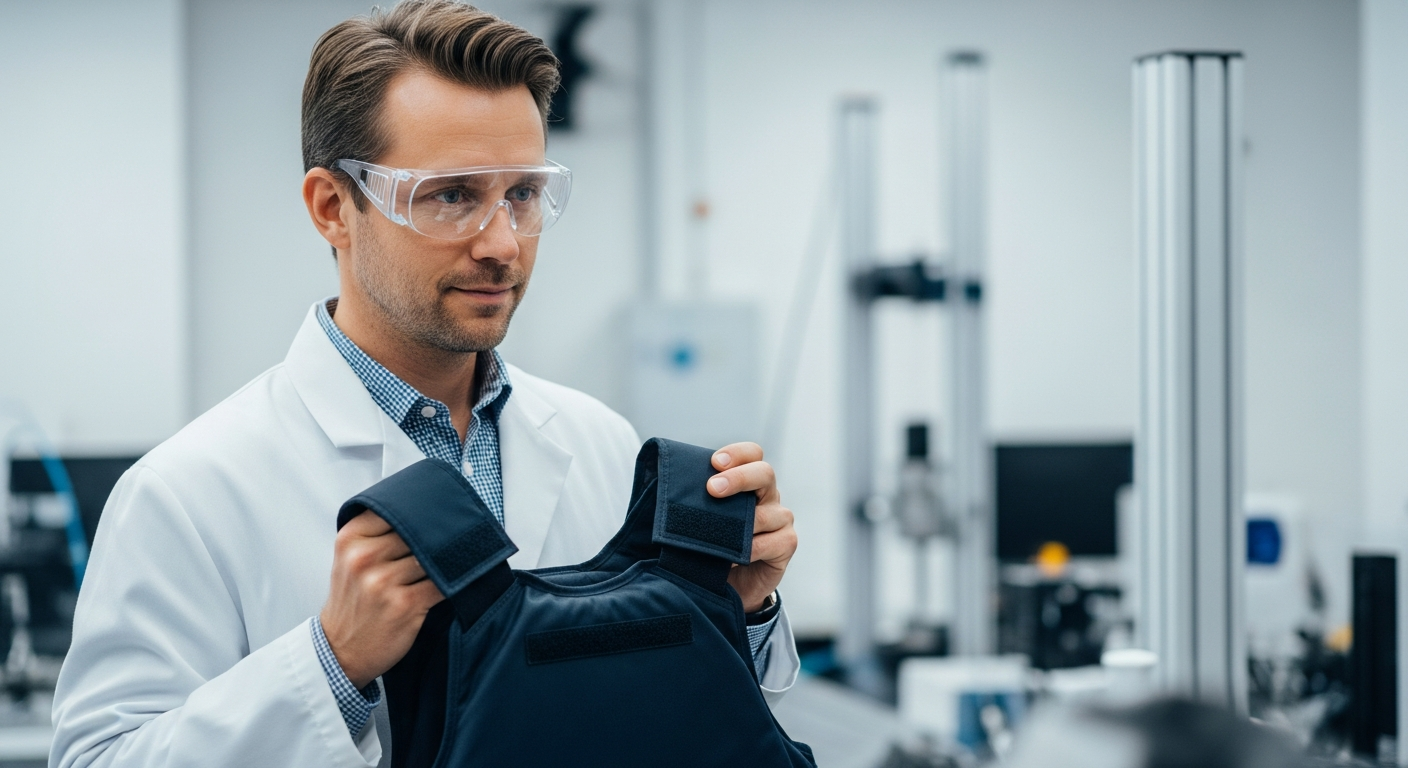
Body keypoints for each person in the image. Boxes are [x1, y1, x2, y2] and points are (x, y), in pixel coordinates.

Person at [49, 3, 800, 766]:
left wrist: (735, 608)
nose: (503, 244)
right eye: (451, 196)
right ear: (333, 208)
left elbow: (674, 718)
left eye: (522, 193)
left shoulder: (599, 443)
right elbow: (98, 757)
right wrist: (332, 663)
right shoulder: (188, 493)